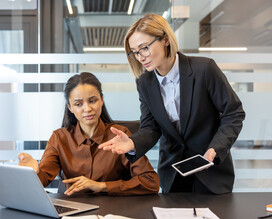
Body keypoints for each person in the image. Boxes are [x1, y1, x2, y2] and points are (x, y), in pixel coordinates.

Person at [99, 13, 245, 194]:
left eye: (144, 48)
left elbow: (234, 113)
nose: (140, 57)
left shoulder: (204, 69)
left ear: (165, 40)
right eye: (135, 52)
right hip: (173, 173)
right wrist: (132, 143)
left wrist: (215, 149)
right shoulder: (145, 83)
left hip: (210, 172)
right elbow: (151, 128)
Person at [18, 72, 159, 196]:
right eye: (78, 104)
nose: (87, 109)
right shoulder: (59, 138)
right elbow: (43, 179)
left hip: (113, 212)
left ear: (101, 100)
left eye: (92, 101)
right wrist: (33, 173)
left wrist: (101, 186)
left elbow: (151, 182)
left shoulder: (119, 135)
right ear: (70, 107)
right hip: (73, 214)